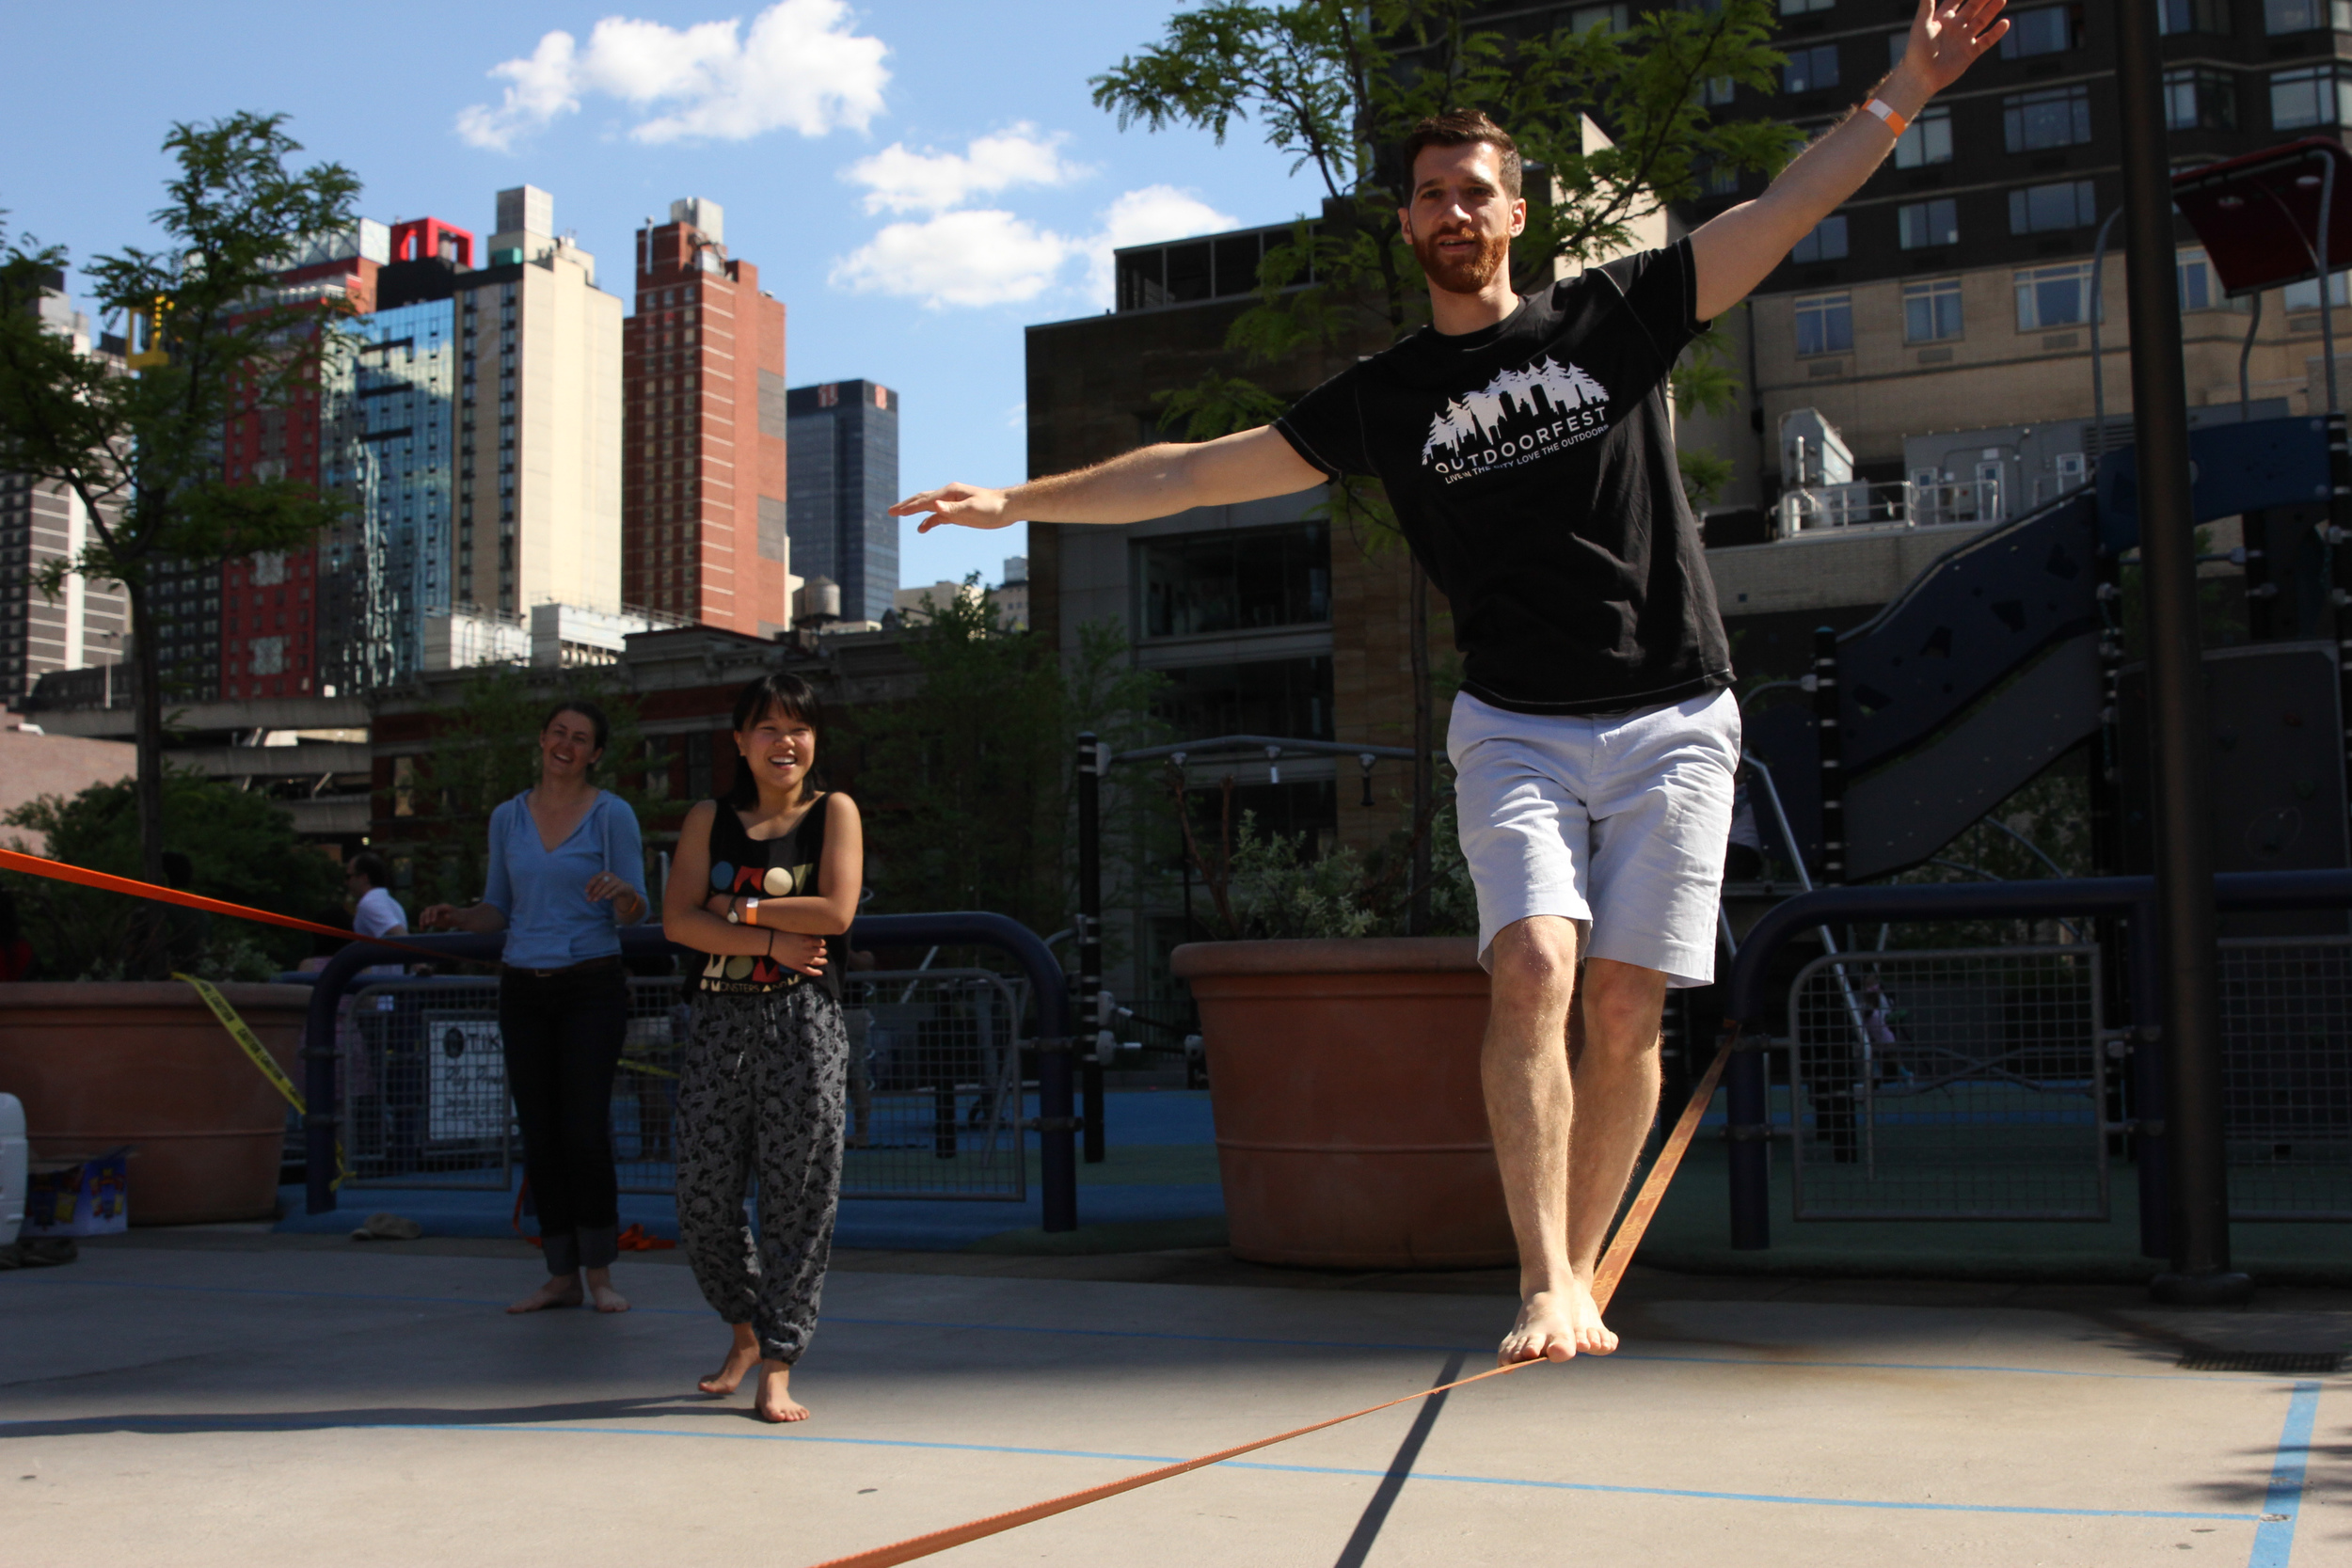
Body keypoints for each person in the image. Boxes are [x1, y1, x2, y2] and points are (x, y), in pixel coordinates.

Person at [891, 0, 2008, 1366]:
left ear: (1517, 215)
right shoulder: (1388, 394)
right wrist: (1018, 500)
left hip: (1673, 710)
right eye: (1429, 196)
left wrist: (1902, 88)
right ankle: (1544, 1276)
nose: (1452, 211)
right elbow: (1190, 467)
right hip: (1518, 723)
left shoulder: (1617, 315)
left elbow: (1782, 208)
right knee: (1534, 962)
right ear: (1409, 226)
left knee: (1625, 1000)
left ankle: (1584, 1273)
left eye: (1475, 191)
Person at [662, 672, 862, 1423]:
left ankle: (778, 1359)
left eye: (799, 728)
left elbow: (836, 909)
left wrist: (739, 908)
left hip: (803, 1021)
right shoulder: (707, 818)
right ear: (741, 741)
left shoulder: (833, 811)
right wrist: (776, 935)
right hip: (717, 1019)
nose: (786, 742)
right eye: (769, 728)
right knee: (704, 1199)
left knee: (797, 1198)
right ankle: (744, 1329)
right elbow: (680, 920)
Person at [420, 701, 649, 1315]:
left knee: (582, 1126)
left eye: (580, 738)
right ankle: (560, 1273)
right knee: (540, 1132)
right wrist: (459, 917)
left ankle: (600, 1271)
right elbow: (498, 906)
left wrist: (625, 893)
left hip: (590, 983)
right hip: (522, 984)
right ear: (542, 739)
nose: (566, 745)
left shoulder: (611, 815)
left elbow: (638, 910)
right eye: (557, 733)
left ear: (596, 753)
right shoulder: (507, 817)